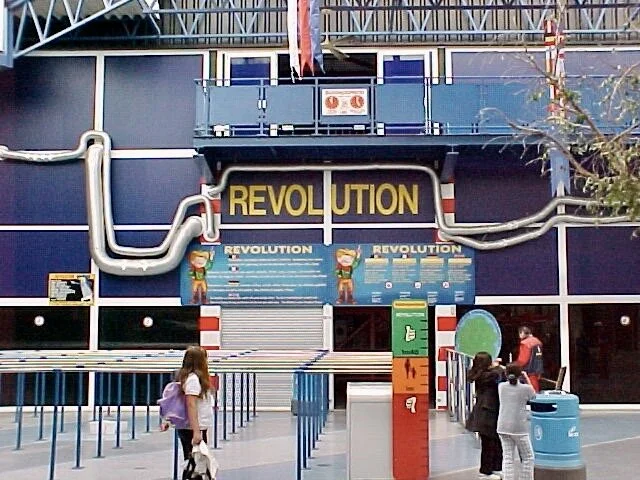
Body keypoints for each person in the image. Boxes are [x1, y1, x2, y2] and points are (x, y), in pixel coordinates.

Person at [176, 346, 214, 480]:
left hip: (195, 427)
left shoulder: (193, 378)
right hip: (192, 428)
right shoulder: (193, 380)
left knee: (196, 463)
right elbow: (191, 405)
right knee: (195, 464)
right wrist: (196, 432)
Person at [466, 352, 505, 480]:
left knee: (496, 442)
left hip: (490, 412)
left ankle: (496, 468)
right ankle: (485, 472)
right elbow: (498, 373)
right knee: (488, 444)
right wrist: (497, 366)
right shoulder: (485, 376)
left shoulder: (482, 373)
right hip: (486, 413)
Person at [497, 363, 537, 480]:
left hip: (503, 426)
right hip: (519, 428)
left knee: (508, 457)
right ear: (520, 374)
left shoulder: (501, 387)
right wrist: (526, 378)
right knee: (528, 456)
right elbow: (533, 396)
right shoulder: (526, 389)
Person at [515, 326, 543, 392]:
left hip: (528, 373)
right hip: (537, 371)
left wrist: (514, 366)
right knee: (536, 392)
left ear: (522, 333)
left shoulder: (525, 343)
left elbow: (523, 360)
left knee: (529, 393)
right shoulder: (538, 341)